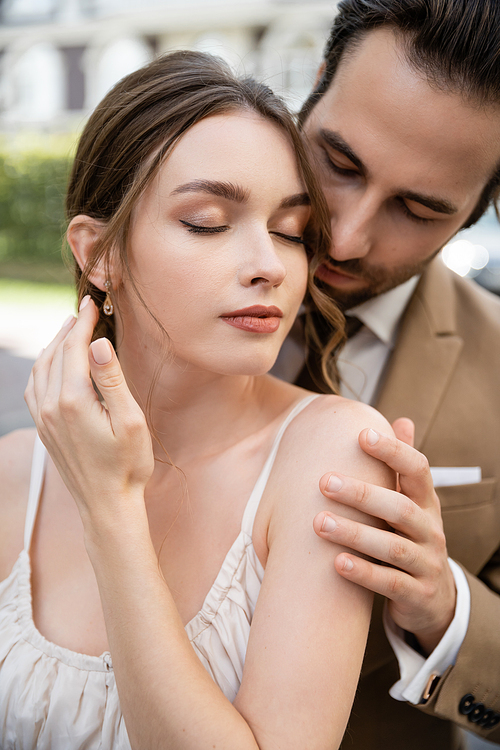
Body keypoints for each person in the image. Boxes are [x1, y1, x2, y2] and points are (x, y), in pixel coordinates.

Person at [0, 51, 395, 749]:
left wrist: (112, 512)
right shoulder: (12, 474)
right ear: (99, 254)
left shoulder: (333, 458)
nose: (270, 266)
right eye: (208, 221)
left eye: (290, 231)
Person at [278, 1, 500, 748]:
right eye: (338, 162)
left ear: (481, 208)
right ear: (314, 85)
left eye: (418, 208)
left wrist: (446, 610)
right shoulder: (153, 280)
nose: (344, 234)